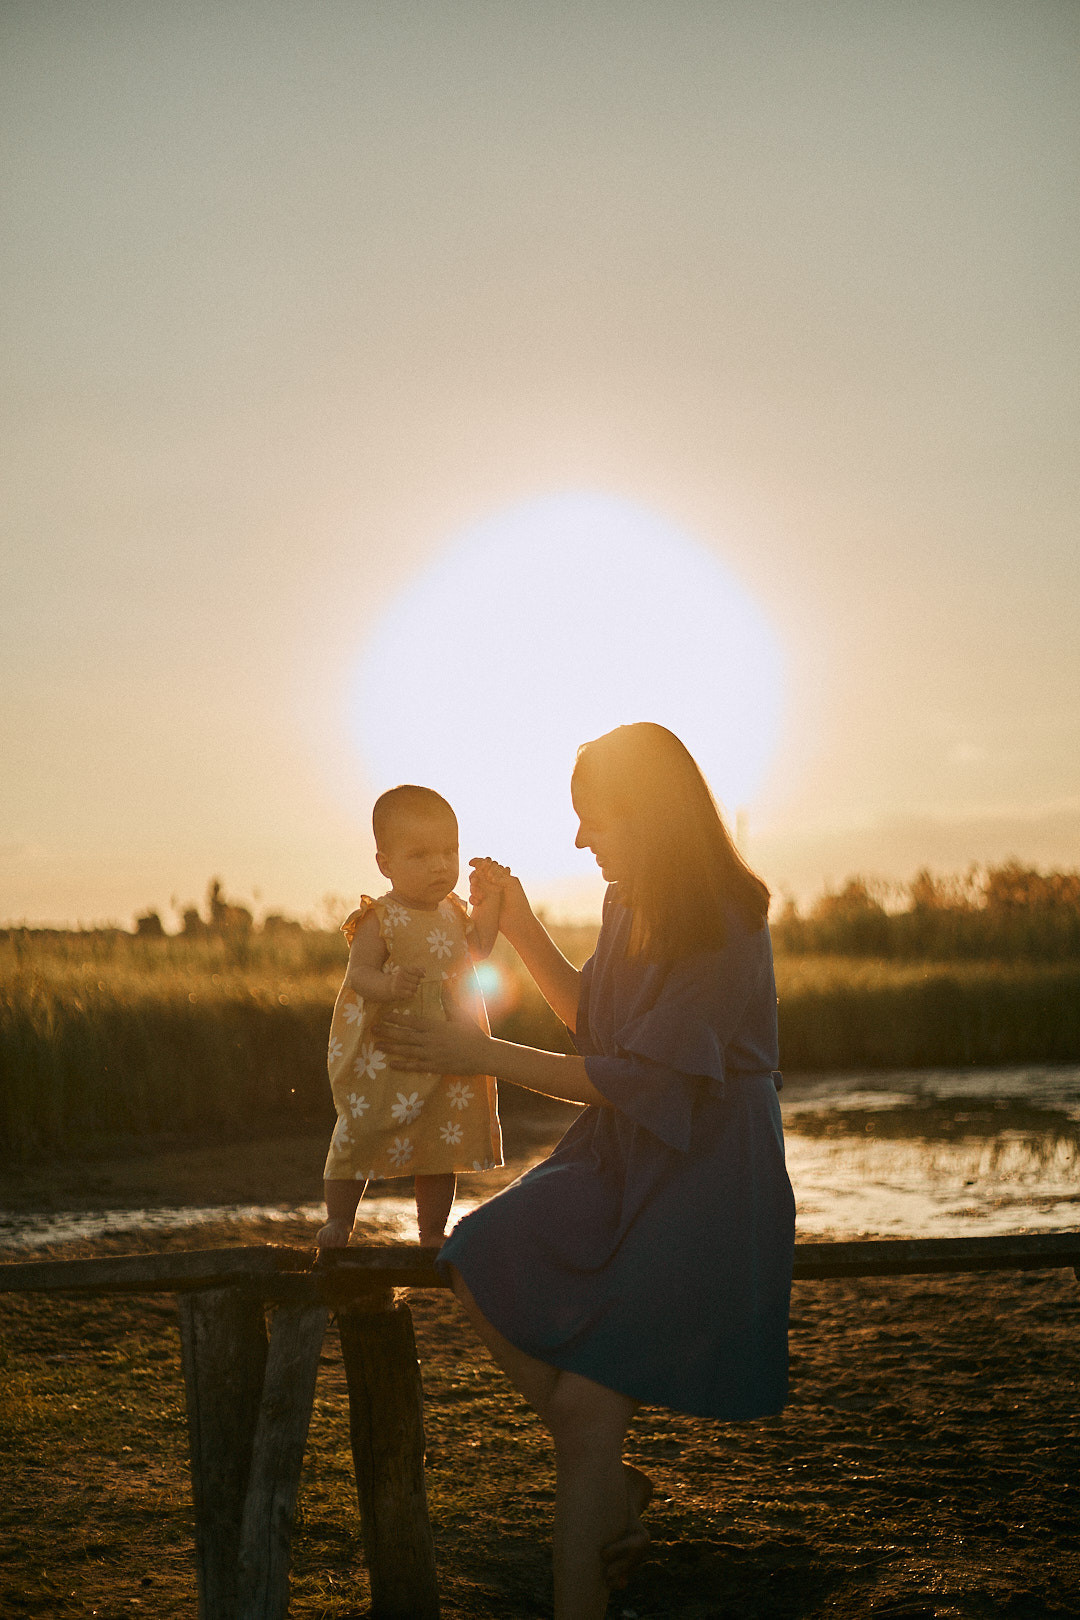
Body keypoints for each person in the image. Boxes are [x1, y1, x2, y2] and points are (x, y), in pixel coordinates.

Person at [380, 723, 796, 1620]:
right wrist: (523, 924)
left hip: (708, 1173)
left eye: (593, 819)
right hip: (619, 1157)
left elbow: (636, 1079)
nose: (581, 840)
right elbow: (600, 1036)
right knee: (473, 1255)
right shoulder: (627, 902)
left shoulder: (726, 919)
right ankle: (608, 1487)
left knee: (589, 1408)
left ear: (648, 816)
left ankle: (587, 1558)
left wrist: (477, 1053)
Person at [316, 784, 503, 1250]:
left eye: (448, 851)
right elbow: (359, 973)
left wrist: (489, 904)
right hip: (391, 1047)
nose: (440, 864)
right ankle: (340, 1220)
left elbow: (479, 948)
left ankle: (432, 1230)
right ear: (386, 864)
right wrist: (389, 985)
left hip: (447, 1043)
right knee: (359, 1130)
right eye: (420, 854)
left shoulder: (455, 912)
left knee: (440, 1140)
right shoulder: (381, 917)